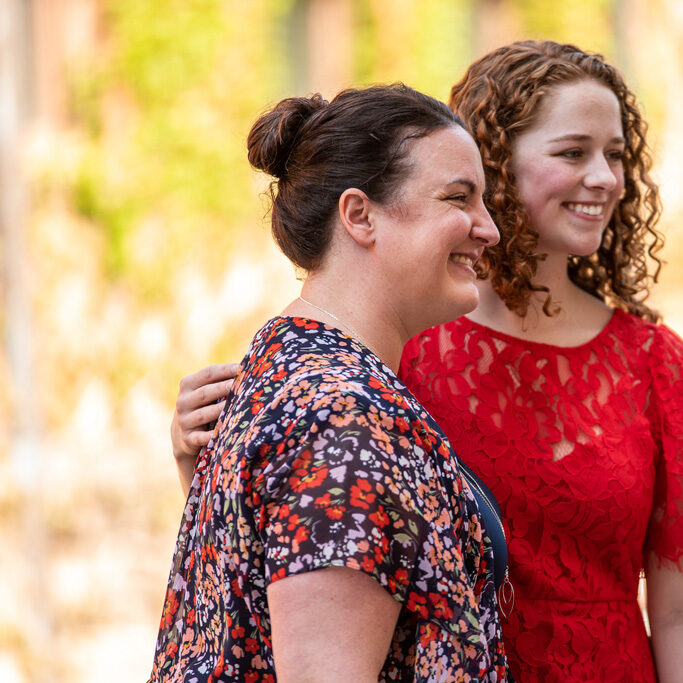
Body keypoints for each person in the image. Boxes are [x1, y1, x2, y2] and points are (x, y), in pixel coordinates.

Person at [172, 41, 683, 682]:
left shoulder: (655, 364)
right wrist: (204, 464)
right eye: (572, 152)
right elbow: (296, 556)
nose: (604, 177)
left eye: (616, 155)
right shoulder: (388, 351)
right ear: (496, 163)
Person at [152, 84, 511, 682]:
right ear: (359, 215)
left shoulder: (291, 370)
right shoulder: (342, 418)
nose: (489, 229)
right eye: (458, 198)